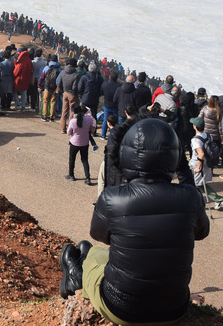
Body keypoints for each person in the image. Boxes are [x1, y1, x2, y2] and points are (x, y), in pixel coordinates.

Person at [60, 119, 210, 325]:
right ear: (174, 158)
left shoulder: (112, 198)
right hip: (174, 308)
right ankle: (84, 267)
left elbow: (99, 235)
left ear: (125, 154)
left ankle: (77, 278)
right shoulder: (191, 197)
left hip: (121, 309)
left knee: (94, 252)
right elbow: (201, 232)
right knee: (96, 253)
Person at [189, 117, 223, 209]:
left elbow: (201, 154)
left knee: (193, 184)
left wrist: (198, 167)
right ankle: (216, 200)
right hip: (207, 162)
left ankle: (215, 200)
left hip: (197, 164)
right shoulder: (208, 135)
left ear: (195, 126)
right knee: (199, 184)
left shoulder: (195, 140)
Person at [66, 105, 96, 184]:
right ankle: (87, 177)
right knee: (85, 160)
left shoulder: (73, 121)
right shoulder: (89, 119)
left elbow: (68, 132)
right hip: (85, 142)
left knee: (72, 159)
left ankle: (71, 175)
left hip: (74, 142)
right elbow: (92, 130)